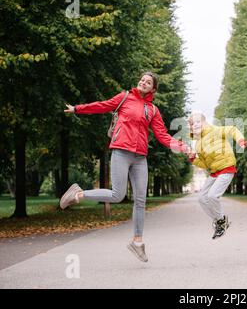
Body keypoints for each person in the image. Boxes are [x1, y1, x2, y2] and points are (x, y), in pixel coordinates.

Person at [61, 72, 192, 262]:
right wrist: (78, 109)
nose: (143, 83)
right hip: (121, 151)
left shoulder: (153, 110)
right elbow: (102, 106)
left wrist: (182, 147)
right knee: (117, 194)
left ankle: (137, 242)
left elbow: (163, 135)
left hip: (140, 157)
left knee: (141, 200)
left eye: (148, 82)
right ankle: (78, 194)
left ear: (153, 89)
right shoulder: (124, 97)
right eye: (142, 80)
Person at [188, 113, 247, 239]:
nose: (195, 125)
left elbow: (232, 129)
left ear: (204, 123)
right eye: (193, 124)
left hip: (226, 167)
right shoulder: (198, 145)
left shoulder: (215, 130)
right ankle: (220, 220)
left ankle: (221, 221)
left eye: (198, 122)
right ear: (191, 128)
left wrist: (241, 140)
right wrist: (193, 160)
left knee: (212, 196)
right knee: (202, 198)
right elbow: (204, 164)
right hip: (214, 172)